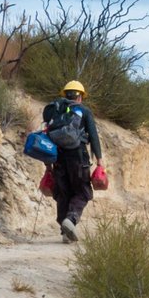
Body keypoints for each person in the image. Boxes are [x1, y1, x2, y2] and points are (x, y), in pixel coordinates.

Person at [44, 80, 103, 243]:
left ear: (65, 94)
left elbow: (46, 135)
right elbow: (94, 137)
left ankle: (64, 231)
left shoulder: (55, 111)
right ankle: (71, 220)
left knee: (63, 192)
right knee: (83, 192)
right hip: (78, 156)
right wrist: (100, 161)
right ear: (80, 97)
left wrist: (47, 165)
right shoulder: (84, 111)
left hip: (58, 157)